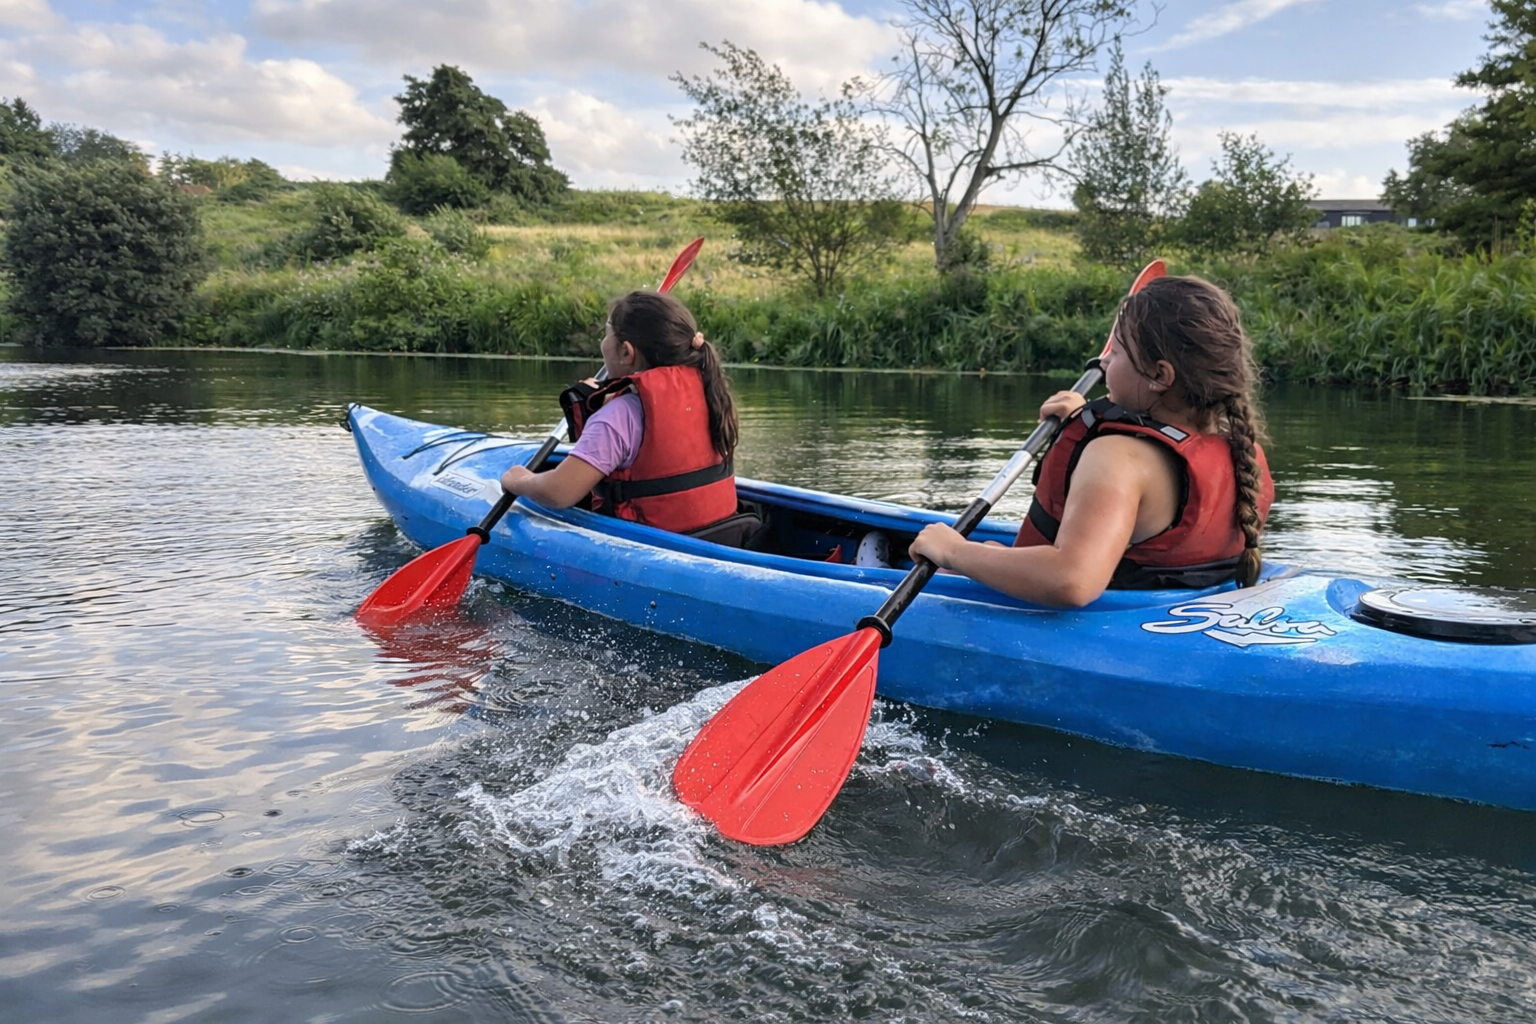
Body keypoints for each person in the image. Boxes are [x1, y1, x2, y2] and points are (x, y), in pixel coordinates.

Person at [907, 275, 1274, 608]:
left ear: (1160, 375)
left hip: (1092, 628)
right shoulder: (1242, 449)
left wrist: (954, 551)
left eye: (1115, 354)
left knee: (951, 558)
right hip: (1178, 612)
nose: (1104, 362)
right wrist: (1083, 417)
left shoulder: (1118, 457)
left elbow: (1072, 580)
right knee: (984, 552)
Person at [499, 290, 752, 541]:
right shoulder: (712, 393)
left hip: (650, 551)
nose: (602, 343)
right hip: (717, 539)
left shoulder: (617, 417)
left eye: (606, 334)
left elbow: (560, 492)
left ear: (625, 352)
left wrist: (519, 481)